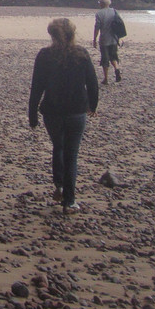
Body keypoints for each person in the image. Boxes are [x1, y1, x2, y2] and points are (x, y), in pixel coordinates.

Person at [27, 17, 100, 213]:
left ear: (52, 35)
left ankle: (59, 185)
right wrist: (93, 105)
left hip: (52, 111)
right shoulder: (81, 54)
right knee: (71, 154)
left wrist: (32, 114)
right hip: (76, 111)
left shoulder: (44, 55)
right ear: (72, 34)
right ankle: (70, 200)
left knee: (58, 147)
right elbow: (92, 83)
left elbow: (37, 88)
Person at [92, 0, 121, 85]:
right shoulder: (114, 11)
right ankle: (116, 69)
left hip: (104, 39)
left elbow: (97, 27)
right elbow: (118, 24)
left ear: (101, 3)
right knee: (113, 56)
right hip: (113, 38)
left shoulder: (99, 14)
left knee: (105, 59)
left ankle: (106, 79)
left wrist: (94, 39)